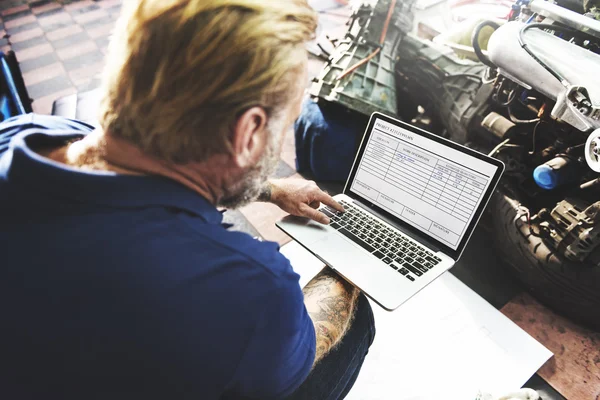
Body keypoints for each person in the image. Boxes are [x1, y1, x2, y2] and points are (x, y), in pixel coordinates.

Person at [0, 0, 376, 399]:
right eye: (285, 121)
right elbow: (300, 351)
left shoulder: (25, 134)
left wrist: (272, 188)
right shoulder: (251, 289)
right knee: (355, 322)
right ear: (248, 131)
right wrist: (357, 250)